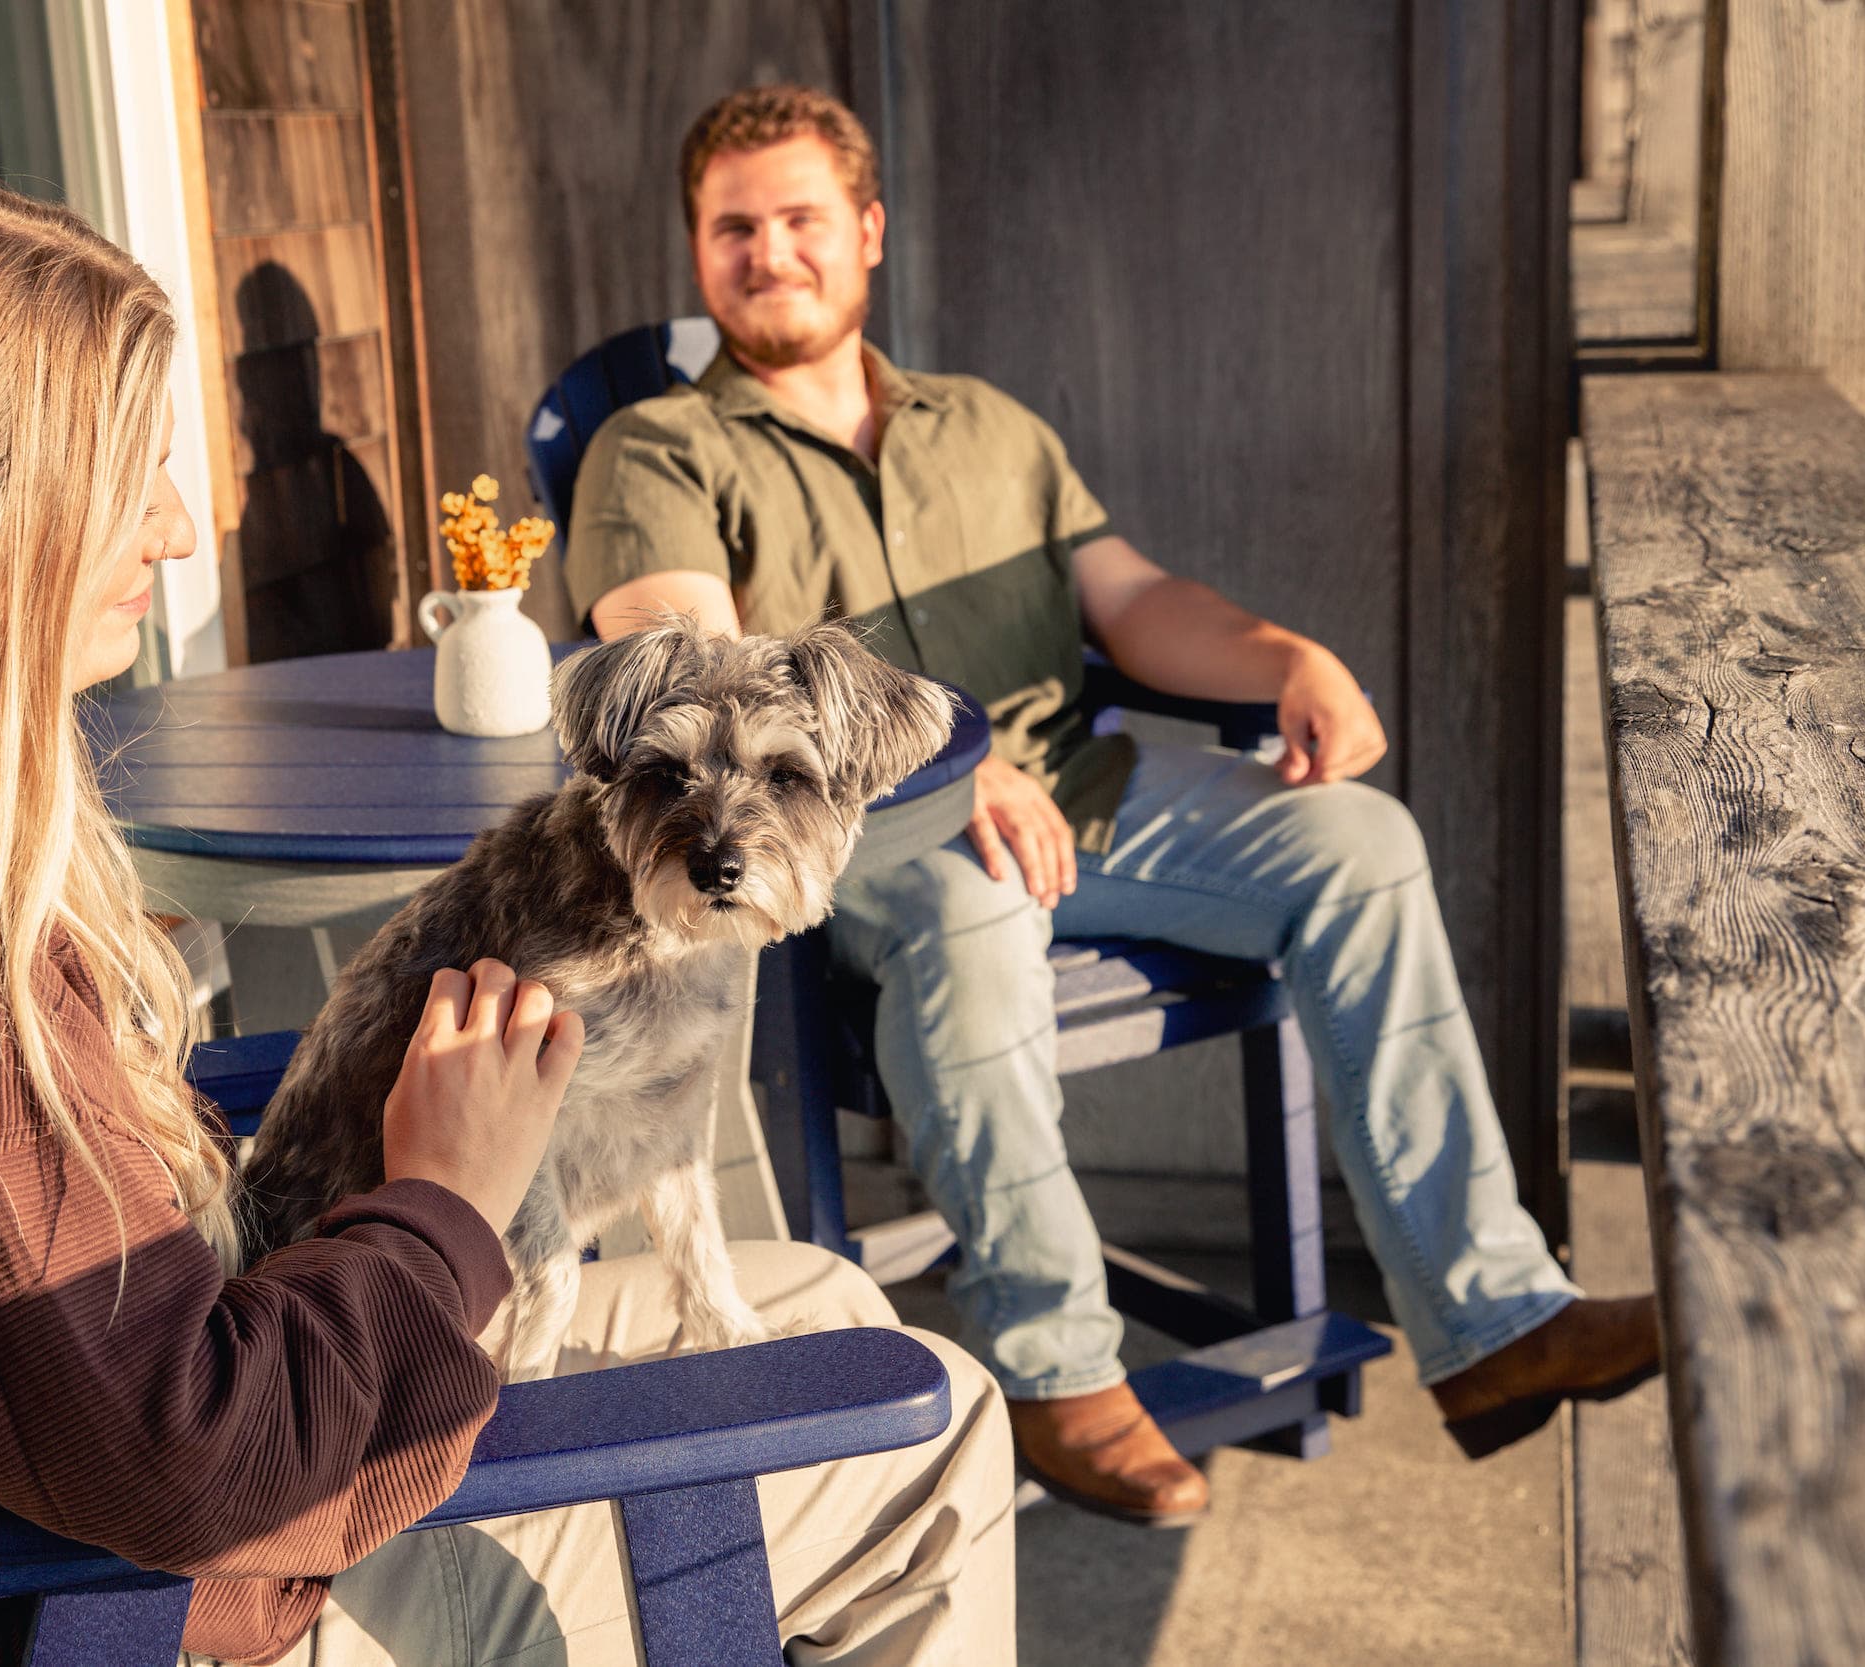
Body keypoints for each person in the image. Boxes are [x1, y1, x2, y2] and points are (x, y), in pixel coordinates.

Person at [0, 169, 1014, 1666]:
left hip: (235, 1425)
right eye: (129, 474)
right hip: (230, 1592)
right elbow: (191, 1462)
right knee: (934, 1418)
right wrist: (442, 1197)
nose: (182, 530)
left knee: (837, 1295)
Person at [562, 85, 1660, 1528]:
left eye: (801, 220)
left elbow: (1134, 605)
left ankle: (1497, 1323)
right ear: (700, 251)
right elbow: (695, 664)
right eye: (734, 229)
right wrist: (950, 761)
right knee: (972, 905)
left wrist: (1287, 659)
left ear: (868, 232)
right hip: (875, 837)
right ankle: (1057, 1367)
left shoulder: (993, 431)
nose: (770, 253)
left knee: (1363, 842)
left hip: (1088, 785)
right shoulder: (658, 450)